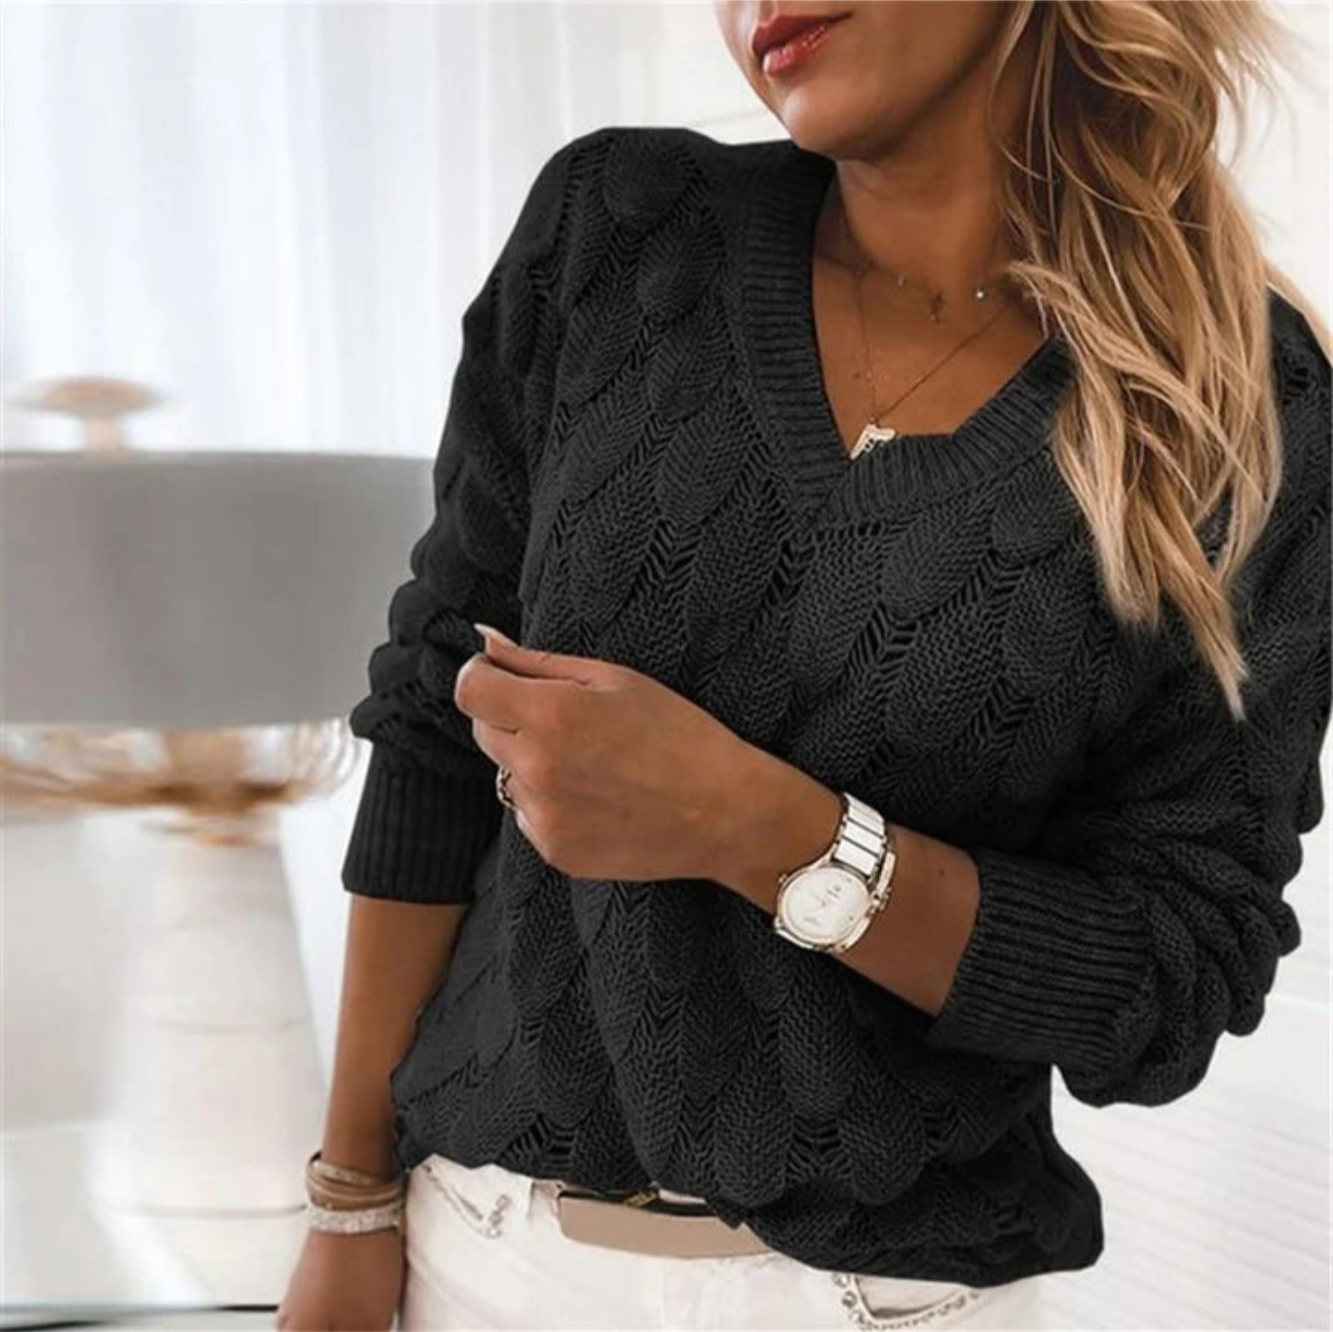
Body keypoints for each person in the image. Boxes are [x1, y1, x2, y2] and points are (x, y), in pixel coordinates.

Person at [277, 0, 1332, 1328]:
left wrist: (771, 834)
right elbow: (434, 729)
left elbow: (1170, 980)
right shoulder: (619, 233)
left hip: (892, 1301)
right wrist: (348, 1198)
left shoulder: (1241, 408)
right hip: (486, 1259)